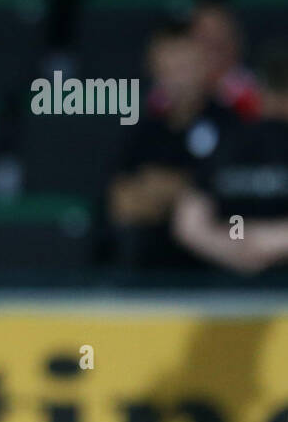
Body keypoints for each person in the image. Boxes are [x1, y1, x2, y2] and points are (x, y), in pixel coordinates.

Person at [107, 24, 233, 270]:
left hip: (219, 268)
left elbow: (232, 198)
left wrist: (165, 189)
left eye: (184, 68)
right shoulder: (143, 130)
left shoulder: (232, 125)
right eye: (169, 70)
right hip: (150, 268)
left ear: (205, 65)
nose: (177, 79)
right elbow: (121, 204)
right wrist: (190, 192)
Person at [172, 49, 288, 275]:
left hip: (231, 280)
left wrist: (244, 244)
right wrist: (254, 245)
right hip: (226, 292)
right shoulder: (230, 142)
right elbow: (188, 224)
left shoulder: (227, 140)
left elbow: (191, 226)